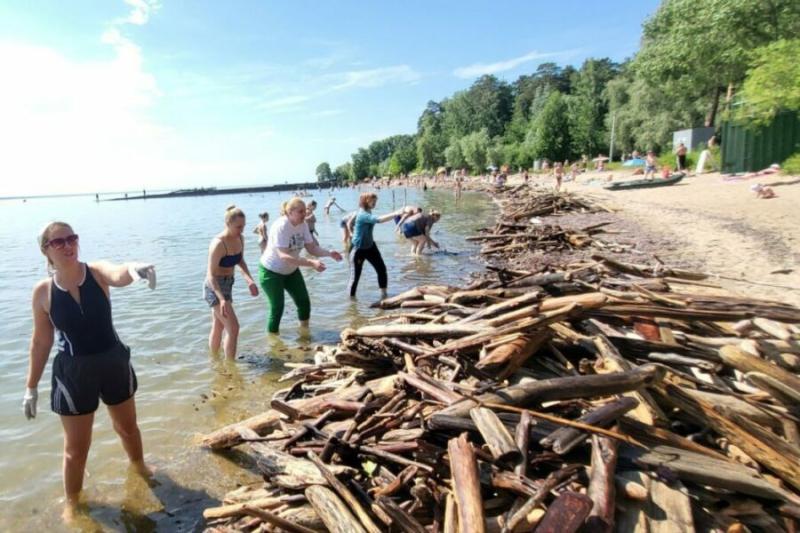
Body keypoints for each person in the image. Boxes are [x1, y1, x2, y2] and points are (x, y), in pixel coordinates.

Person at [24, 221, 156, 521]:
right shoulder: (43, 292)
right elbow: (41, 341)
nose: (68, 245)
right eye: (59, 241)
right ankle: (73, 502)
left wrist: (135, 268)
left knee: (128, 428)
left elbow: (117, 273)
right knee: (76, 449)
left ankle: (139, 467)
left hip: (112, 360)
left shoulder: (95, 272)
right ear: (46, 250)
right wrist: (30, 387)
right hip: (73, 371)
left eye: (72, 238)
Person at [259, 198, 342, 333]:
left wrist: (329, 253)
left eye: (305, 211)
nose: (304, 214)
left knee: (304, 302)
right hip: (271, 271)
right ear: (290, 212)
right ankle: (274, 345)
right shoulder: (282, 226)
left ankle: (304, 334)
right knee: (277, 307)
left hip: (290, 271)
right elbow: (284, 256)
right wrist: (311, 263)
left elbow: (312, 248)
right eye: (301, 211)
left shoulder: (303, 225)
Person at [205, 205, 259, 359]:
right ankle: (230, 366)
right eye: (238, 227)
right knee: (233, 328)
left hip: (228, 284)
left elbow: (240, 261)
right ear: (227, 224)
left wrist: (249, 280)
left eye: (243, 227)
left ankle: (214, 361)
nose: (241, 230)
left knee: (219, 325)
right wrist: (221, 299)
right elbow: (210, 275)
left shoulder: (240, 238)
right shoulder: (218, 244)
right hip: (214, 287)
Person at [348, 193, 402, 298]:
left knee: (381, 269)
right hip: (358, 249)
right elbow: (379, 220)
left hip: (370, 246)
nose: (375, 203)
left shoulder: (368, 211)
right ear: (365, 201)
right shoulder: (363, 214)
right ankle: (352, 306)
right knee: (355, 278)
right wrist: (395, 213)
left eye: (375, 201)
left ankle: (384, 295)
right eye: (373, 201)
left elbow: (352, 223)